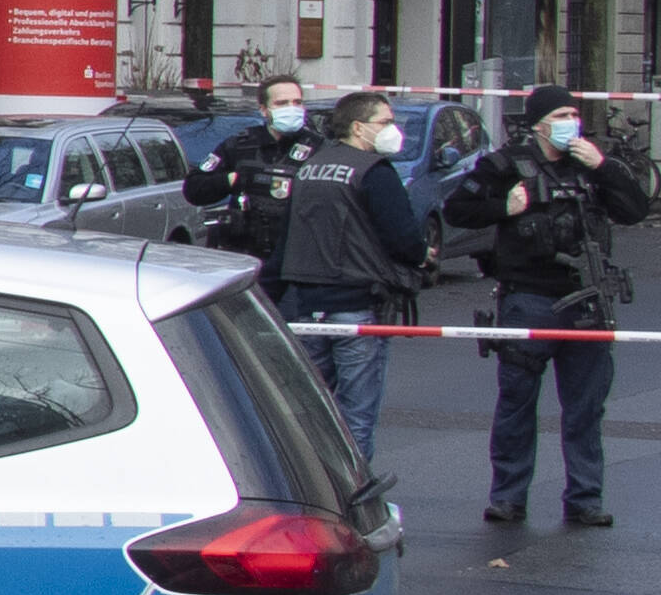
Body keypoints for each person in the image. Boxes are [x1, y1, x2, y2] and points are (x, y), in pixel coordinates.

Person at [441, 85, 645, 528]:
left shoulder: (589, 164)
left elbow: (635, 209)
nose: (572, 121)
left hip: (587, 301)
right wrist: (505, 205)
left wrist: (605, 167)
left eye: (575, 113)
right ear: (538, 124)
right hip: (528, 297)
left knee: (586, 407)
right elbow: (457, 209)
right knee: (517, 402)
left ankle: (585, 498)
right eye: (562, 114)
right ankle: (509, 496)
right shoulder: (505, 164)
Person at [268, 92, 424, 469]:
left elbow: (287, 238)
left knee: (310, 414)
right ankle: (354, 499)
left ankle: (312, 490)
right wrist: (422, 256)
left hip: (306, 307)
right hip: (355, 305)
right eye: (385, 122)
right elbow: (404, 239)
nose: (393, 130)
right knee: (356, 415)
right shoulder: (373, 171)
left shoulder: (309, 168)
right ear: (359, 127)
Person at [184, 74, 313, 278]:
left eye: (297, 102)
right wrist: (234, 179)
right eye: (282, 103)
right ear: (264, 109)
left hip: (300, 258)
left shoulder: (317, 147)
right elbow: (194, 189)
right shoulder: (240, 144)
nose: (292, 108)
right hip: (249, 255)